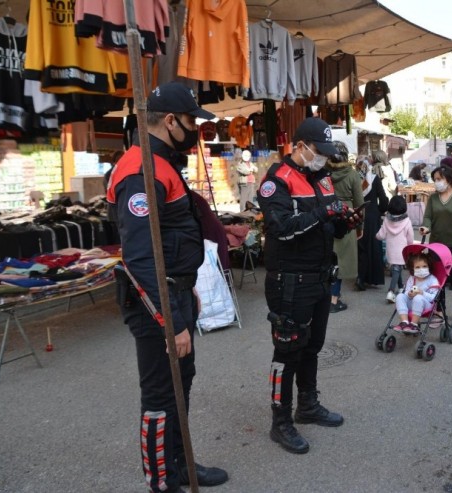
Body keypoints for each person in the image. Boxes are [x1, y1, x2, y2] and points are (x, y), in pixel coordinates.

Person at [107, 82, 228, 493]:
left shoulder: (162, 162)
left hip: (176, 292)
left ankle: (181, 466)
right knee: (161, 395)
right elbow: (141, 258)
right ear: (172, 121)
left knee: (182, 385)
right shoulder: (140, 170)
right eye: (193, 120)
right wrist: (170, 320)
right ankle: (163, 482)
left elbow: (170, 240)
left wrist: (186, 288)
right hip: (154, 304)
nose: (197, 128)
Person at [256, 117, 356, 455]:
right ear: (299, 146)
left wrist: (343, 222)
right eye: (318, 152)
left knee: (312, 347)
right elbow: (282, 229)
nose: (323, 159)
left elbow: (327, 225)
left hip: (319, 276)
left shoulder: (323, 178)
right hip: (289, 281)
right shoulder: (276, 181)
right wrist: (324, 215)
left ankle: (308, 405)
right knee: (287, 352)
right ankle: (280, 421)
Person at [419, 166, 452, 322]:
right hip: (436, 245)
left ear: (448, 179)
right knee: (436, 280)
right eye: (435, 179)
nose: (436, 183)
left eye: (439, 179)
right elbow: (428, 216)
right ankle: (439, 309)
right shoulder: (433, 198)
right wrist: (425, 227)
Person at [327, 143, 364, 313]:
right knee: (341, 261)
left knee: (327, 259)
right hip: (346, 217)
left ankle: (326, 296)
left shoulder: (323, 173)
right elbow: (359, 204)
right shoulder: (353, 174)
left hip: (325, 216)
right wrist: (359, 226)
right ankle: (334, 300)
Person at [356, 155, 389, 290]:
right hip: (372, 215)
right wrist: (380, 211)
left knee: (360, 247)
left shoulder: (355, 178)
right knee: (373, 247)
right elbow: (383, 198)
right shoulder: (374, 179)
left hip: (357, 213)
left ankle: (360, 276)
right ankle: (371, 277)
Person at [376, 195, 414, 303]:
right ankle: (391, 291)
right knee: (397, 269)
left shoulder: (387, 220)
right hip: (402, 251)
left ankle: (401, 287)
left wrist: (376, 236)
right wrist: (410, 247)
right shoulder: (407, 221)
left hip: (391, 252)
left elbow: (381, 235)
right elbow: (410, 237)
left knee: (396, 268)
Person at [394, 252, 439, 334]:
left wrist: (422, 293)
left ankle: (414, 324)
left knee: (418, 298)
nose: (421, 269)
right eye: (417, 267)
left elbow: (434, 297)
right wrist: (409, 293)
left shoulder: (432, 280)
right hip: (412, 303)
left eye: (424, 266)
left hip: (427, 305)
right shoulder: (412, 278)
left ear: (429, 267)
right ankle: (404, 322)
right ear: (413, 269)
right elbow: (407, 291)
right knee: (400, 296)